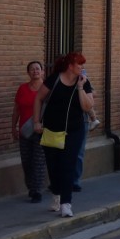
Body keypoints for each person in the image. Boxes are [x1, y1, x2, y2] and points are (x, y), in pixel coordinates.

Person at [33, 52, 94, 217]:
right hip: (51, 130)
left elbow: (87, 107)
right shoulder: (54, 80)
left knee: (68, 165)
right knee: (54, 166)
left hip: (74, 131)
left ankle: (66, 203)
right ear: (70, 66)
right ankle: (56, 194)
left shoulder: (84, 83)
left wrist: (81, 87)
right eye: (79, 65)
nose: (82, 68)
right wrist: (36, 122)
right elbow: (38, 99)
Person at [11, 60, 47, 202]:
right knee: (26, 161)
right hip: (25, 131)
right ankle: (31, 187)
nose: (35, 71)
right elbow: (16, 110)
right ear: (28, 73)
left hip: (41, 130)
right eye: (32, 69)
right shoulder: (22, 89)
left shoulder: (46, 89)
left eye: (38, 69)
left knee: (38, 160)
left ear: (43, 71)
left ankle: (37, 191)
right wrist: (13, 127)